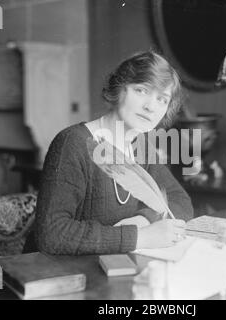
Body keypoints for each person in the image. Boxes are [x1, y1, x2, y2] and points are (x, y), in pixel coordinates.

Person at [35, 51, 194, 255]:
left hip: (113, 267)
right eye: (141, 90)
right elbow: (51, 235)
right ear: (118, 88)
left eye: (162, 99)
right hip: (63, 273)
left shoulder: (141, 146)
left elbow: (180, 201)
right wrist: (140, 237)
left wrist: (144, 219)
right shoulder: (73, 143)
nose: (150, 107)